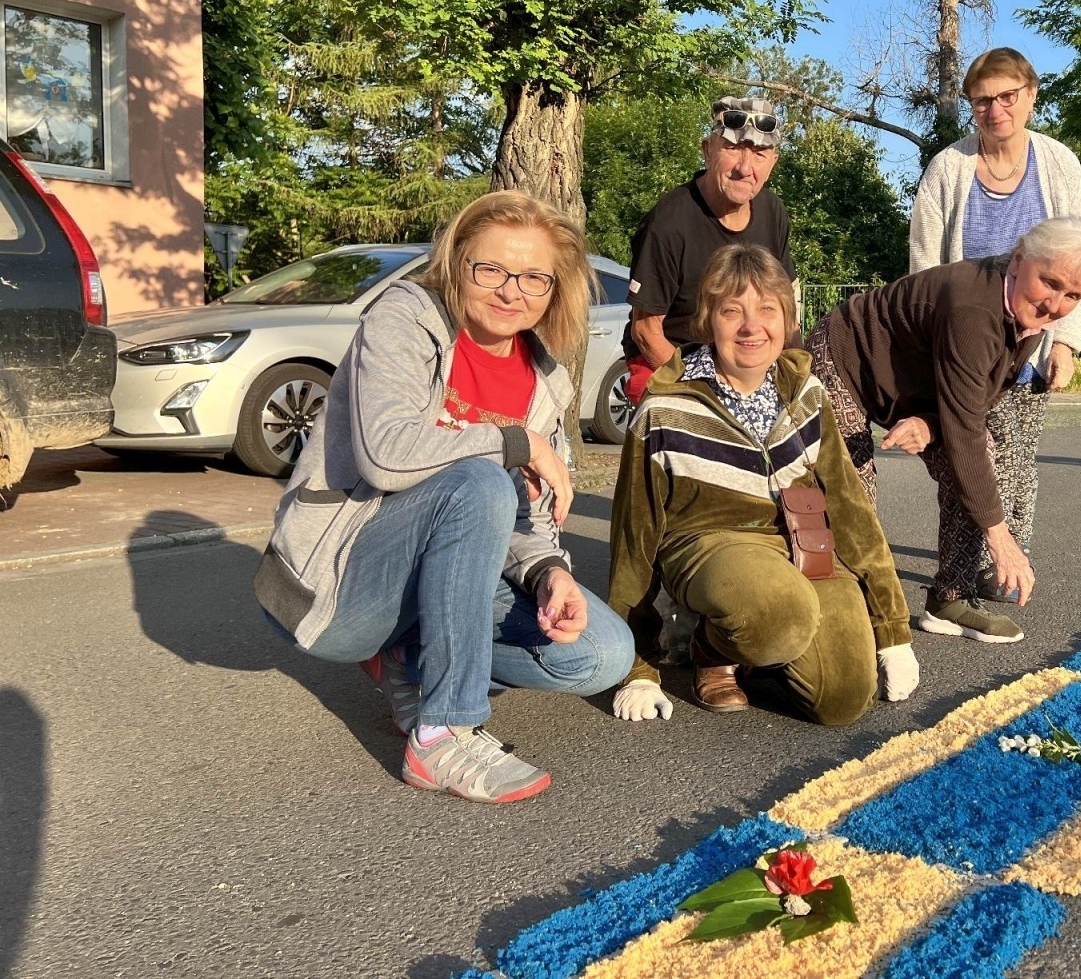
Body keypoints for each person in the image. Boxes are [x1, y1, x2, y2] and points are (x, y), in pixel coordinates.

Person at [253, 192, 634, 804]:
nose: (511, 291)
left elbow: (527, 512)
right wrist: (515, 442)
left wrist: (548, 572)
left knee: (601, 655)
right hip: (343, 581)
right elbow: (385, 454)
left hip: (448, 563)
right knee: (478, 479)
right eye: (491, 269)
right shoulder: (404, 317)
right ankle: (442, 733)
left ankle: (408, 659)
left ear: (554, 290)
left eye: (534, 277)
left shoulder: (546, 381)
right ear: (457, 265)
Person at [606, 244, 919, 725]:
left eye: (767, 309)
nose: (752, 327)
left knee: (845, 698)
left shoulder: (808, 394)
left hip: (804, 547)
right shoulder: (665, 406)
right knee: (779, 612)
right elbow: (634, 535)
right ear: (708, 320)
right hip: (711, 546)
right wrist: (637, 666)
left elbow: (851, 511)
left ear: (787, 319)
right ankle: (714, 645)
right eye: (732, 311)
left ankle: (758, 646)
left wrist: (893, 630)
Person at [805, 216, 1081, 644]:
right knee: (851, 490)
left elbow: (980, 402)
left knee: (979, 456)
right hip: (845, 358)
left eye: (1073, 296)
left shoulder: (1025, 312)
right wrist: (1001, 539)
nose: (1054, 304)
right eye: (1050, 282)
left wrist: (929, 425)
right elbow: (965, 430)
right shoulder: (975, 308)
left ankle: (949, 600)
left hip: (909, 382)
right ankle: (843, 607)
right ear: (1019, 258)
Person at [908, 48, 1081, 604]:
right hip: (965, 335)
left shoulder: (1059, 164)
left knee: (1017, 453)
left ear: (1030, 95)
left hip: (1035, 333)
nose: (995, 110)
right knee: (969, 448)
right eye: (982, 101)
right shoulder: (948, 167)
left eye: (1007, 96)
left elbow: (1080, 259)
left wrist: (1067, 342)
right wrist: (927, 336)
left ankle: (1009, 558)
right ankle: (970, 564)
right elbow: (925, 259)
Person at [622, 96, 796, 404]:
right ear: (707, 151)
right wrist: (710, 398)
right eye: (733, 148)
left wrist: (795, 378)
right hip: (672, 358)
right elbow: (646, 331)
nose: (745, 168)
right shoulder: (669, 221)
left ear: (773, 163)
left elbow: (787, 313)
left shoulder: (774, 211)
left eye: (759, 154)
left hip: (741, 355)